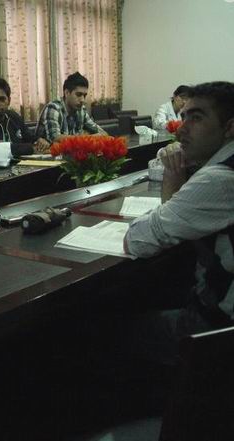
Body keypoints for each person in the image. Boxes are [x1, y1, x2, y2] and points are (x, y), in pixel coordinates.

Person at [123, 81, 234, 365]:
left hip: (217, 329)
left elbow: (137, 240)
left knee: (104, 327)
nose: (181, 129)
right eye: (183, 117)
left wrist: (172, 179)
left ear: (229, 128)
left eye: (196, 118)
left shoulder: (219, 180)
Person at [0, 77, 50, 156]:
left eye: (1, 99)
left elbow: (29, 136)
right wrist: (30, 148)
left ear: (9, 101)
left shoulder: (14, 116)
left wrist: (39, 141)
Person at [36, 72, 106, 143]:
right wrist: (87, 137)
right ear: (67, 93)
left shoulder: (81, 110)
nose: (82, 100)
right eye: (78, 95)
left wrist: (89, 135)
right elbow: (55, 138)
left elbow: (102, 133)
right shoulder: (54, 108)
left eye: (84, 95)